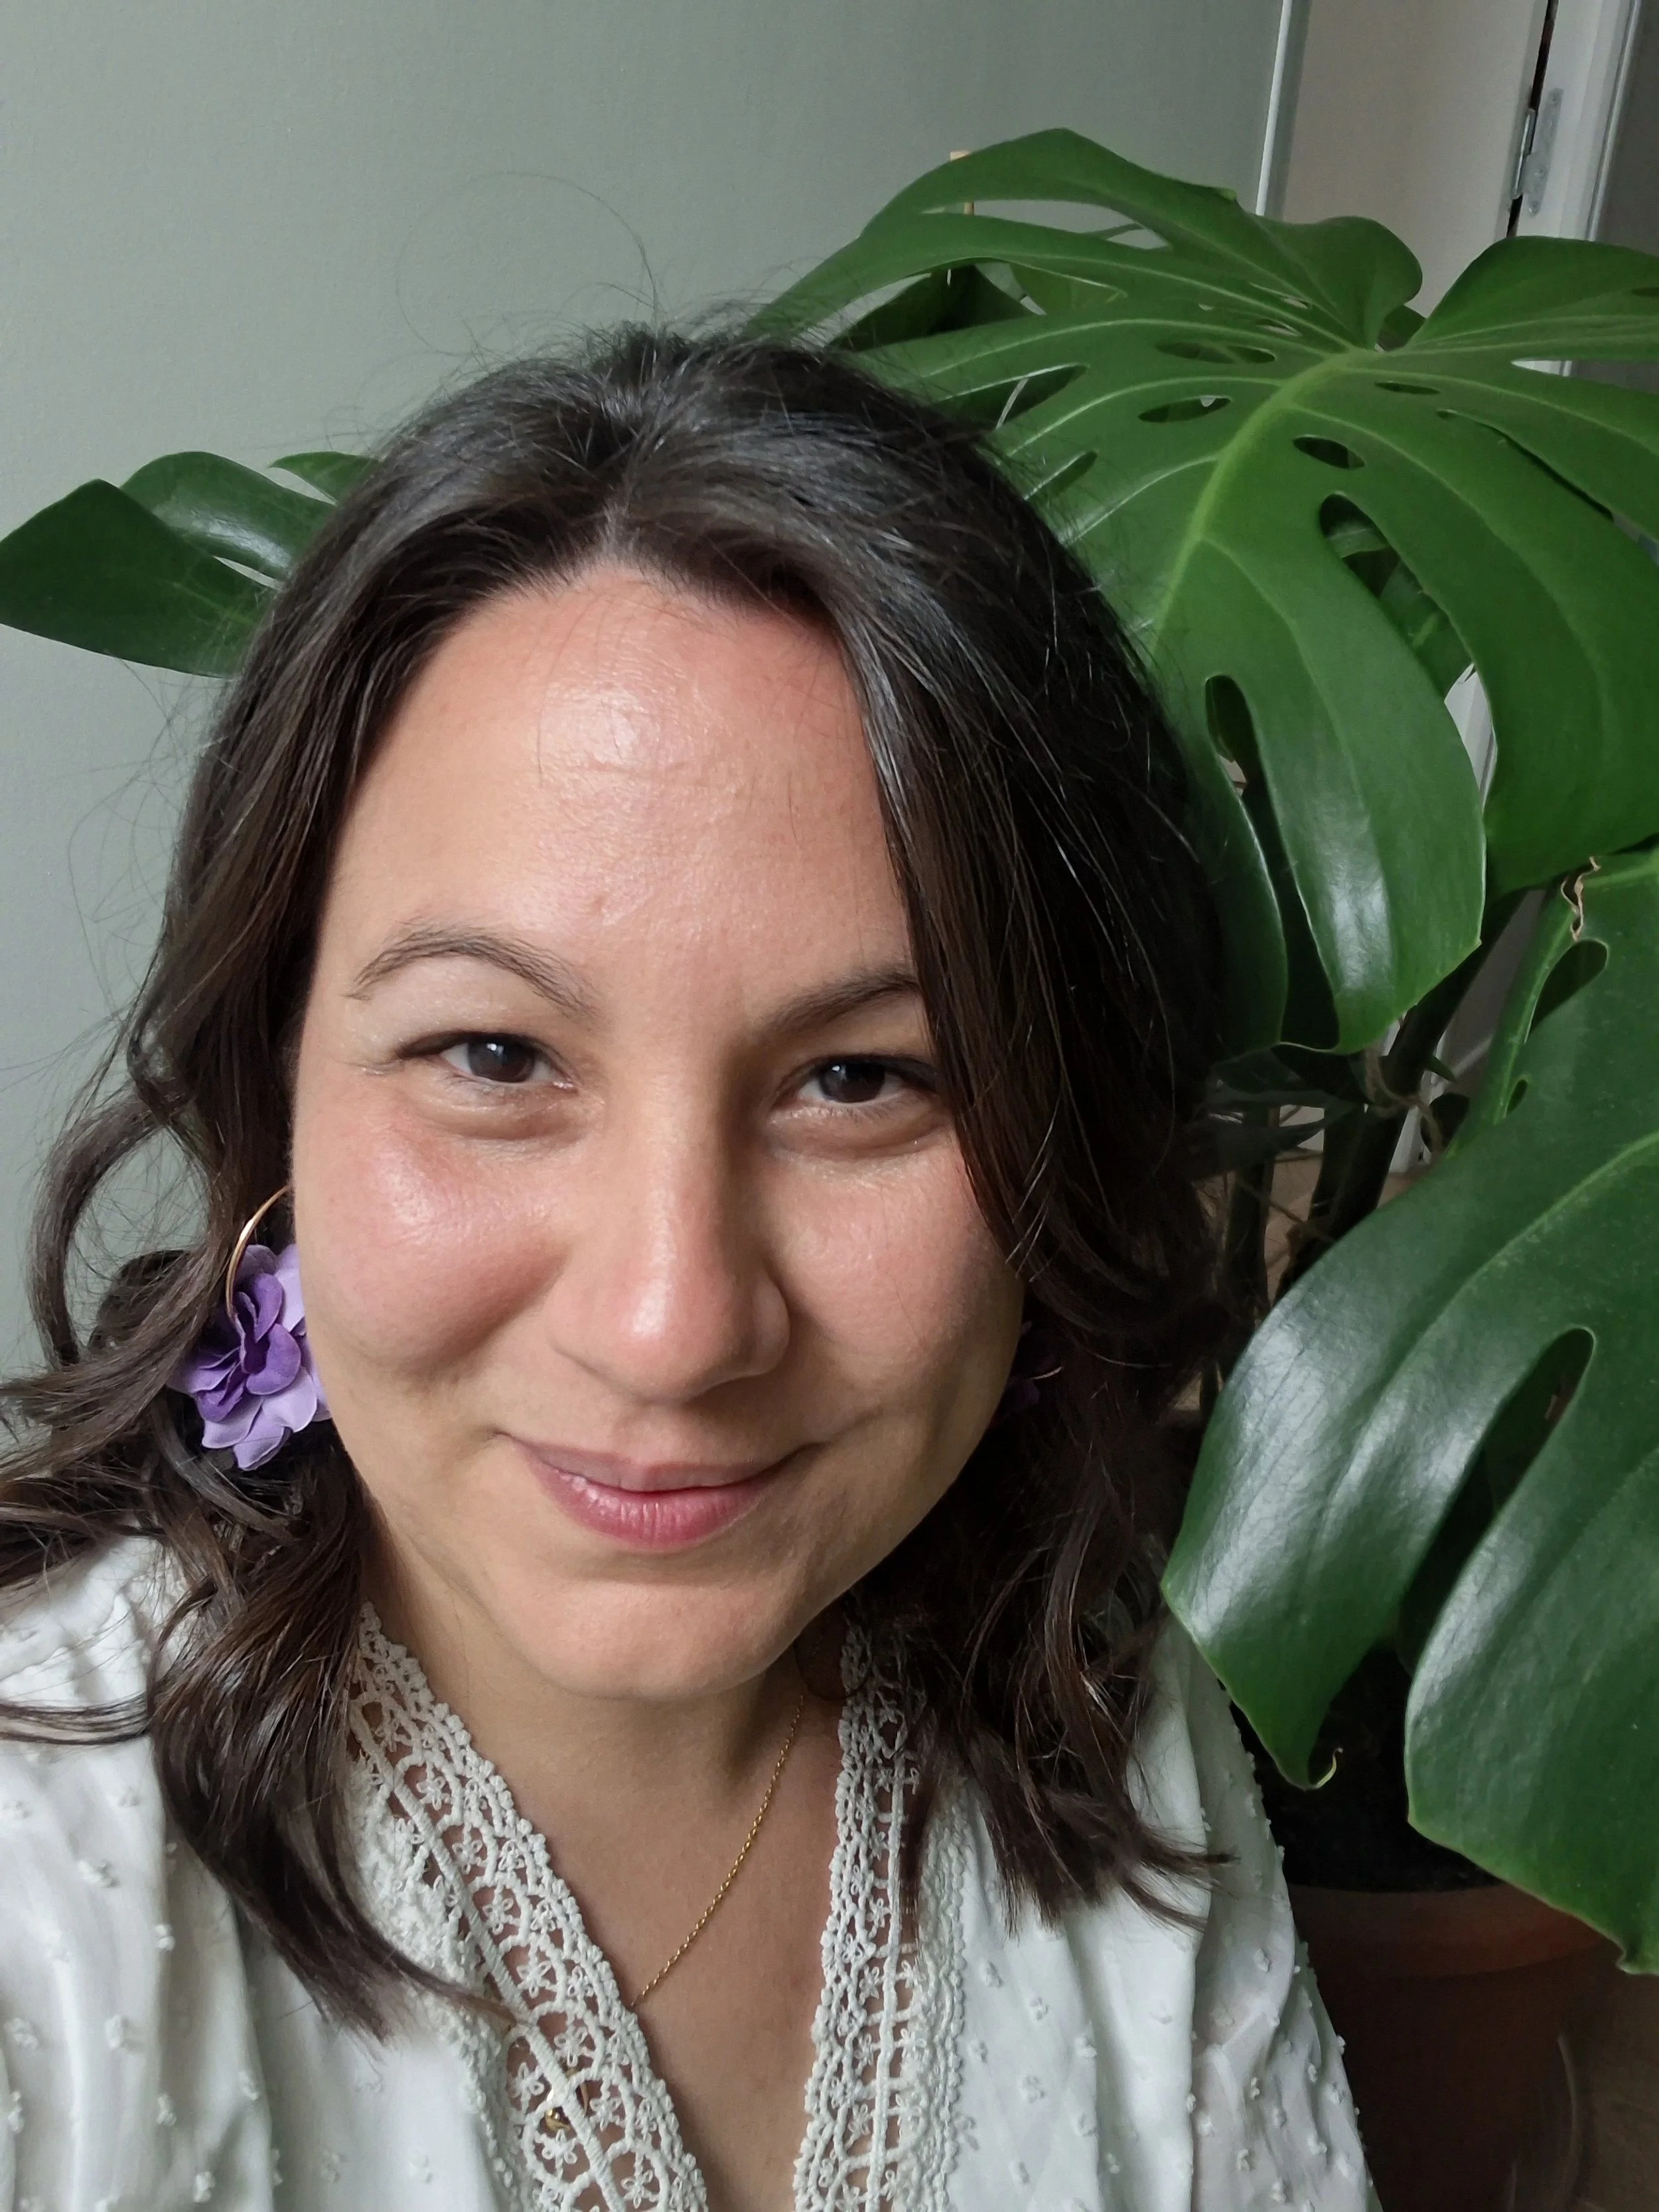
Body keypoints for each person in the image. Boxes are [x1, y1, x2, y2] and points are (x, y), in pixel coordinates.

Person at [0, 332, 1373, 2212]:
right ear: (276, 1091)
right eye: (495, 1058)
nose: (670, 1322)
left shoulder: (1106, 1708)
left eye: (861, 1078)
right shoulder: (38, 1896)